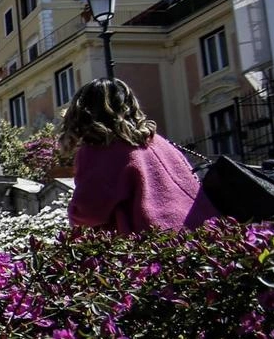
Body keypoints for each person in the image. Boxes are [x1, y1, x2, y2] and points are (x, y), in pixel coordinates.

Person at [58, 78, 218, 234]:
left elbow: (88, 212)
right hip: (202, 234)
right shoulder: (159, 142)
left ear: (82, 113)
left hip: (155, 245)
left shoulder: (99, 151)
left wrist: (73, 212)